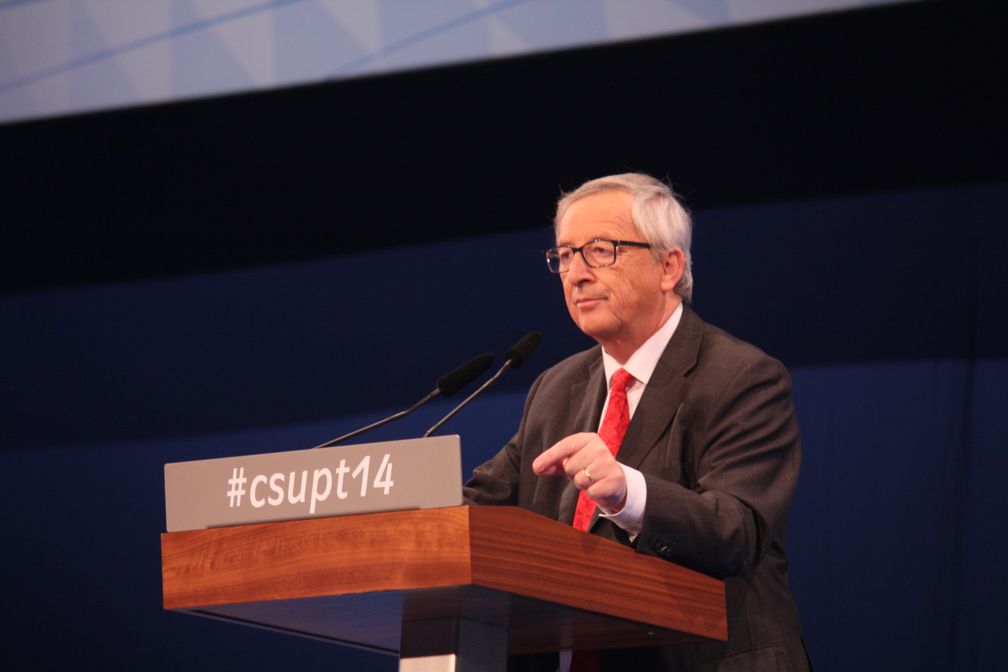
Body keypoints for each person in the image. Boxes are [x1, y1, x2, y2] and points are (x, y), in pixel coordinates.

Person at [464, 173, 811, 671]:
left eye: (600, 250)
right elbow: (478, 509)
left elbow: (737, 530)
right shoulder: (555, 389)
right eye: (564, 256)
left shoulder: (743, 377)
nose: (576, 274)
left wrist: (628, 492)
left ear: (669, 266)